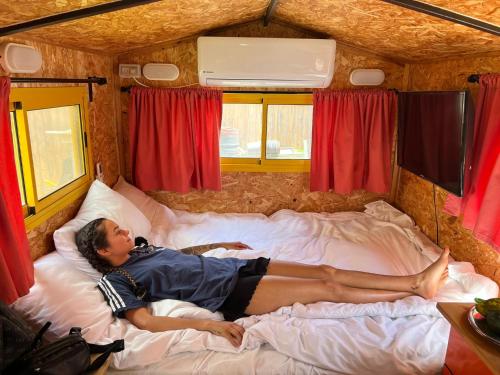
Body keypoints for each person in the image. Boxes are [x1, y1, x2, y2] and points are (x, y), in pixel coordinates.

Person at [76, 218, 449, 347]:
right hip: (230, 293)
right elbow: (143, 321)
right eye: (116, 231)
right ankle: (414, 288)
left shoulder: (142, 251)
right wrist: (208, 325)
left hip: (237, 269)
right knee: (327, 291)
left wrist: (220, 245)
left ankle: (415, 279)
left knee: (326, 270)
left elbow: (181, 255)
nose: (125, 231)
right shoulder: (117, 279)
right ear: (103, 250)